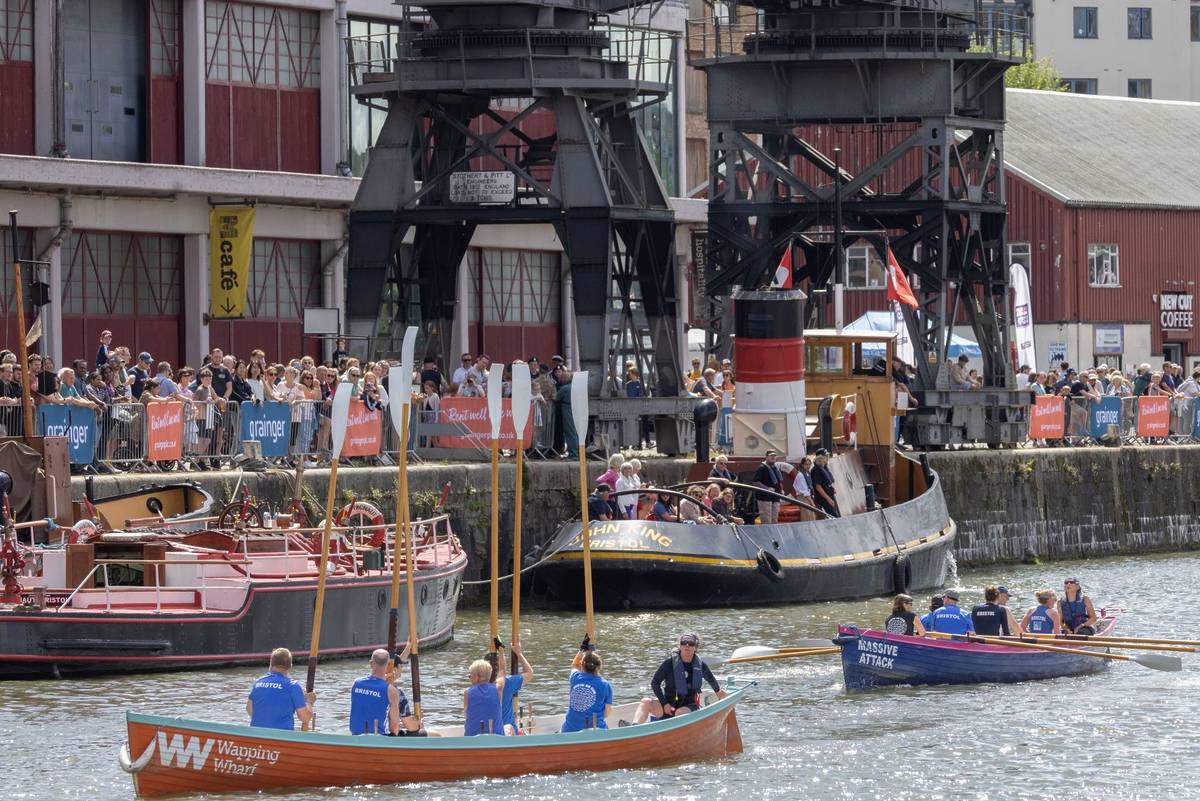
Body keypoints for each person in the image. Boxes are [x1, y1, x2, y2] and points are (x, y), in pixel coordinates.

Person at [632, 633, 725, 724]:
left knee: (679, 712)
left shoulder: (700, 665)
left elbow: (710, 678)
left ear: (695, 647)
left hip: (689, 706)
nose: (687, 645)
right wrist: (664, 703)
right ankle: (634, 728)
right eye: (684, 643)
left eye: (691, 643)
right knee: (646, 702)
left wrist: (718, 692)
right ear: (680, 646)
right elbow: (655, 683)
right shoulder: (669, 664)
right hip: (668, 706)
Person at [349, 647, 420, 735]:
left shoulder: (356, 683)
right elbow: (394, 727)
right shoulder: (393, 691)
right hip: (379, 738)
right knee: (425, 733)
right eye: (401, 667)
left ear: (371, 664)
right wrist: (419, 725)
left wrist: (408, 647)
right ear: (389, 667)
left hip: (356, 735)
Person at [246, 647, 315, 730]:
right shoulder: (293, 686)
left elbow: (249, 709)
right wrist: (309, 702)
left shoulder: (257, 683)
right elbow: (305, 718)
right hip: (282, 737)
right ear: (290, 667)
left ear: (271, 664)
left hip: (257, 734)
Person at [561, 637, 612, 732]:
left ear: (582, 665)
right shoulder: (605, 685)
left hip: (569, 730)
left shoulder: (575, 677)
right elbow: (607, 713)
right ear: (599, 666)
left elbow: (574, 665)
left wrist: (582, 650)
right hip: (595, 730)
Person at [498, 642, 534, 736]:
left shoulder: (474, 688)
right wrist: (519, 653)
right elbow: (530, 673)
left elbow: (502, 669)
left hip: (489, 733)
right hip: (509, 735)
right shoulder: (507, 683)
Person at [463, 658, 504, 735]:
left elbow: (466, 715)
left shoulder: (467, 692)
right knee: (509, 727)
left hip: (472, 738)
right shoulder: (498, 689)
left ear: (476, 676)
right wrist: (501, 653)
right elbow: (502, 673)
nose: (469, 678)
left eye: (470, 676)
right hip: (497, 737)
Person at [752, 449, 784, 524]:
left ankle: (773, 535)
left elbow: (779, 481)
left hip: (775, 497)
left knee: (775, 520)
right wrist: (767, 489)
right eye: (771, 456)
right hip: (765, 498)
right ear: (766, 457)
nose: (773, 457)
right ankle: (767, 535)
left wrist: (781, 490)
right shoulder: (762, 468)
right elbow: (755, 482)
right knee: (767, 520)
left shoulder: (776, 468)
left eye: (774, 456)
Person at [810, 448, 839, 518]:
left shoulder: (824, 468)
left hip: (829, 495)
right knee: (834, 516)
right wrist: (828, 499)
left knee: (836, 515)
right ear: (820, 458)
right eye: (825, 456)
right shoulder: (816, 470)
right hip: (823, 498)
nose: (827, 458)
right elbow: (818, 487)